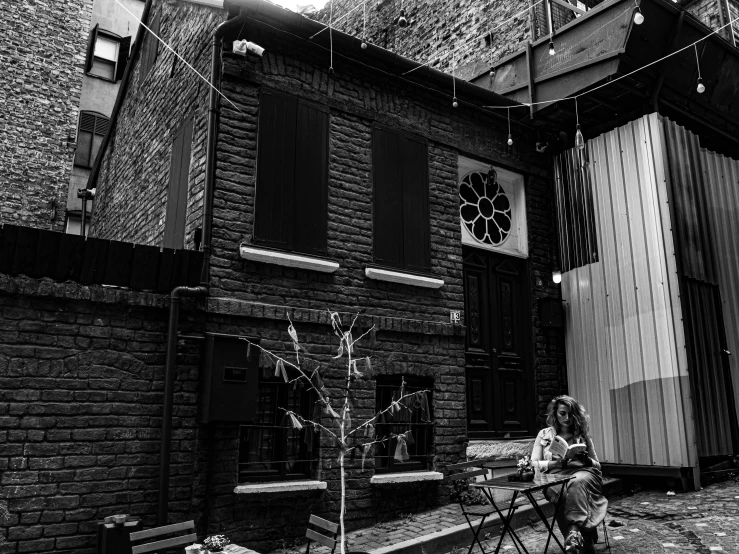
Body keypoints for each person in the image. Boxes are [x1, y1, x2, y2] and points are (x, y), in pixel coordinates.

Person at [530, 395, 608, 554]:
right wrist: (554, 463)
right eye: (562, 413)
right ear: (555, 414)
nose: (566, 418)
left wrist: (587, 461)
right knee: (566, 493)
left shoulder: (583, 435)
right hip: (555, 476)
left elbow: (598, 465)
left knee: (576, 483)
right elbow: (534, 463)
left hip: (583, 473)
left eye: (570, 414)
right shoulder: (544, 435)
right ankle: (584, 538)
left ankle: (573, 532)